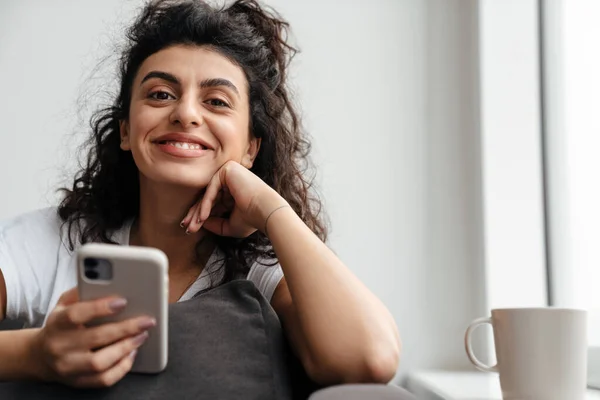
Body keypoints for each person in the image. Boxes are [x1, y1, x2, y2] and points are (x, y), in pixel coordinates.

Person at [0, 0, 401, 389]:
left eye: (217, 101)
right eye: (160, 94)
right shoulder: (53, 241)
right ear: (125, 130)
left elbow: (371, 360)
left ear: (250, 148)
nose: (186, 114)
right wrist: (33, 353)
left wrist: (270, 209)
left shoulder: (264, 270)